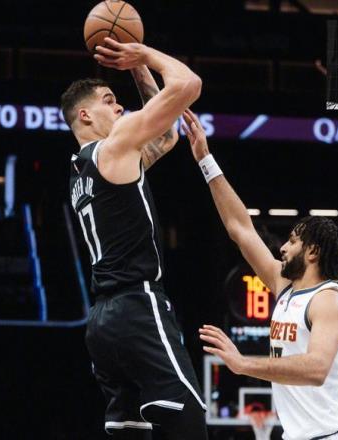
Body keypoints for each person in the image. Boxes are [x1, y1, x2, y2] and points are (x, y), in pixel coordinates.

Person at [182, 109, 338, 440]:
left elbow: (316, 369)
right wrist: (205, 161)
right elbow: (240, 228)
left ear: (313, 252)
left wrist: (243, 363)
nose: (282, 247)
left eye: (292, 241)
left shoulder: (330, 302)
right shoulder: (285, 287)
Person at [61, 39, 207, 440]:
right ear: (85, 115)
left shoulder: (81, 172)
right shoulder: (116, 145)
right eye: (109, 101)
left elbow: (167, 138)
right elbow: (189, 85)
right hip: (138, 304)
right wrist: (144, 54)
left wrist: (135, 70)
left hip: (101, 323)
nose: (120, 107)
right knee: (190, 422)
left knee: (129, 433)